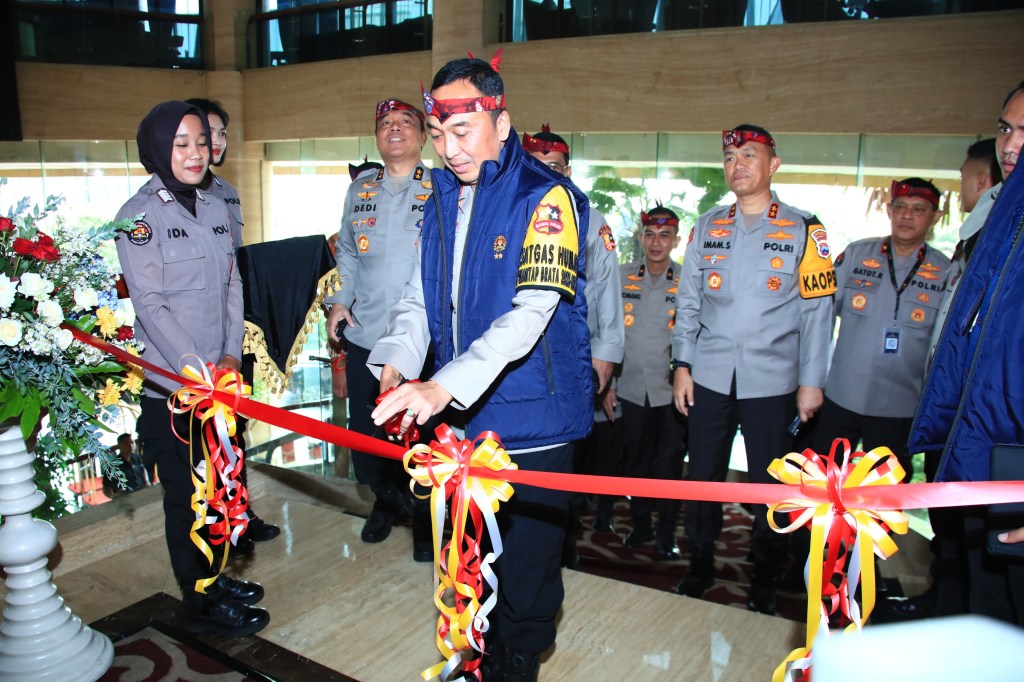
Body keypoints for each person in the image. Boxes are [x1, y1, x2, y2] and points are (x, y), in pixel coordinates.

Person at [367, 56, 591, 682]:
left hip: (534, 418)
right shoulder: (441, 196)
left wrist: (442, 385)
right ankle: (476, 654)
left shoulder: (546, 197)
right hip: (464, 419)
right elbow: (421, 297)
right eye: (439, 135)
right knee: (468, 552)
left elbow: (531, 313)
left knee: (527, 562)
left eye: (462, 131)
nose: (449, 149)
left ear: (501, 121)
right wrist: (398, 359)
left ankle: (517, 661)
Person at [115, 101, 268, 637]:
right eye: (181, 144)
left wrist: (229, 355)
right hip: (174, 391)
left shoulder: (215, 205)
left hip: (218, 381)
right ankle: (199, 599)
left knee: (219, 488)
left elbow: (232, 284)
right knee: (186, 499)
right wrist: (194, 369)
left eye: (201, 142)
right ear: (158, 149)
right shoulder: (139, 216)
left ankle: (217, 576)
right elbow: (149, 304)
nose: (195, 153)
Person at [670, 124, 835, 614]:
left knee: (772, 483)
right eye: (729, 158)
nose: (736, 165)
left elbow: (818, 313)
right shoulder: (707, 226)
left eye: (748, 155)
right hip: (710, 375)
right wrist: (682, 365)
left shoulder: (806, 229)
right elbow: (688, 301)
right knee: (702, 475)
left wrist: (811, 382)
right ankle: (701, 561)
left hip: (774, 380)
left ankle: (765, 571)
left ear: (773, 164)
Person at [908, 80, 1024, 626]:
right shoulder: (1002, 213)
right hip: (979, 439)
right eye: (1006, 128)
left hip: (1012, 456)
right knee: (977, 603)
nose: (1011, 144)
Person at [324, 98, 433, 559]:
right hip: (367, 336)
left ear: (423, 136)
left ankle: (426, 521)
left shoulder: (443, 188)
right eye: (386, 123)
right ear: (376, 137)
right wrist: (339, 301)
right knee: (368, 438)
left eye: (405, 122)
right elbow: (348, 253)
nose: (395, 129)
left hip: (424, 344)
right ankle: (385, 502)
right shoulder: (360, 190)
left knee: (424, 438)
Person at [521, 125, 625, 562]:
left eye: (555, 167)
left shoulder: (591, 221)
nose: (546, 173)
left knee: (571, 453)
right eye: (536, 166)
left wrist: (606, 355)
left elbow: (608, 294)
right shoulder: (511, 211)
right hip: (521, 361)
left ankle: (567, 538)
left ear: (568, 171)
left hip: (573, 358)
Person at [185, 97, 281, 547]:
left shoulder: (225, 192)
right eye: (208, 134)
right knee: (198, 444)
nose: (216, 143)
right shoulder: (171, 199)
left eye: (221, 134)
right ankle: (211, 530)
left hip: (232, 337)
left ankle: (239, 514)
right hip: (190, 347)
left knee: (232, 432)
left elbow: (234, 271)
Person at [811, 177, 951, 477]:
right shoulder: (857, 255)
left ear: (935, 216)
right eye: (900, 207)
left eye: (918, 209)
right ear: (889, 210)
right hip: (841, 396)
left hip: (899, 406)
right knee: (821, 481)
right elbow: (820, 317)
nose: (907, 216)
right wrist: (810, 380)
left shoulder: (945, 272)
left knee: (886, 492)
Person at [610, 206, 685, 559]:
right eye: (651, 235)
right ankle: (641, 525)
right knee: (636, 463)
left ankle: (667, 533)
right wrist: (609, 384)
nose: (656, 243)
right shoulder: (621, 276)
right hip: (631, 388)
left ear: (676, 241)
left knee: (669, 465)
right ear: (641, 238)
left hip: (672, 393)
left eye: (664, 236)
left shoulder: (687, 280)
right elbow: (610, 333)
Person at [102, 433, 146, 497]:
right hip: (125, 498)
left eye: (132, 442)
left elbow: (143, 470)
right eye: (126, 443)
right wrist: (114, 497)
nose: (130, 445)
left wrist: (146, 482)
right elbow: (106, 487)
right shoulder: (114, 465)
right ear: (119, 446)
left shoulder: (137, 458)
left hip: (141, 494)